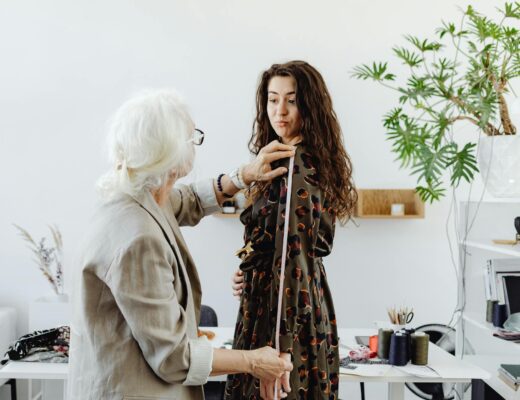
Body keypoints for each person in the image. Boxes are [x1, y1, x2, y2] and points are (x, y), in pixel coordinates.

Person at [68, 89, 295, 400]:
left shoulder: (135, 194)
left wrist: (245, 175)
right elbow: (174, 357)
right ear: (168, 151)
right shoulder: (138, 240)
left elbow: (187, 200)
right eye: (192, 137)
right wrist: (253, 361)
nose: (195, 144)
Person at [225, 61, 357, 400]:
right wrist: (248, 270)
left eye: (291, 100)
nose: (279, 111)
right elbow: (278, 250)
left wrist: (282, 351)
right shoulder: (290, 159)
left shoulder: (297, 163)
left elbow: (293, 260)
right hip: (288, 310)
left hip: (281, 322)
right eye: (272, 99)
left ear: (308, 105)